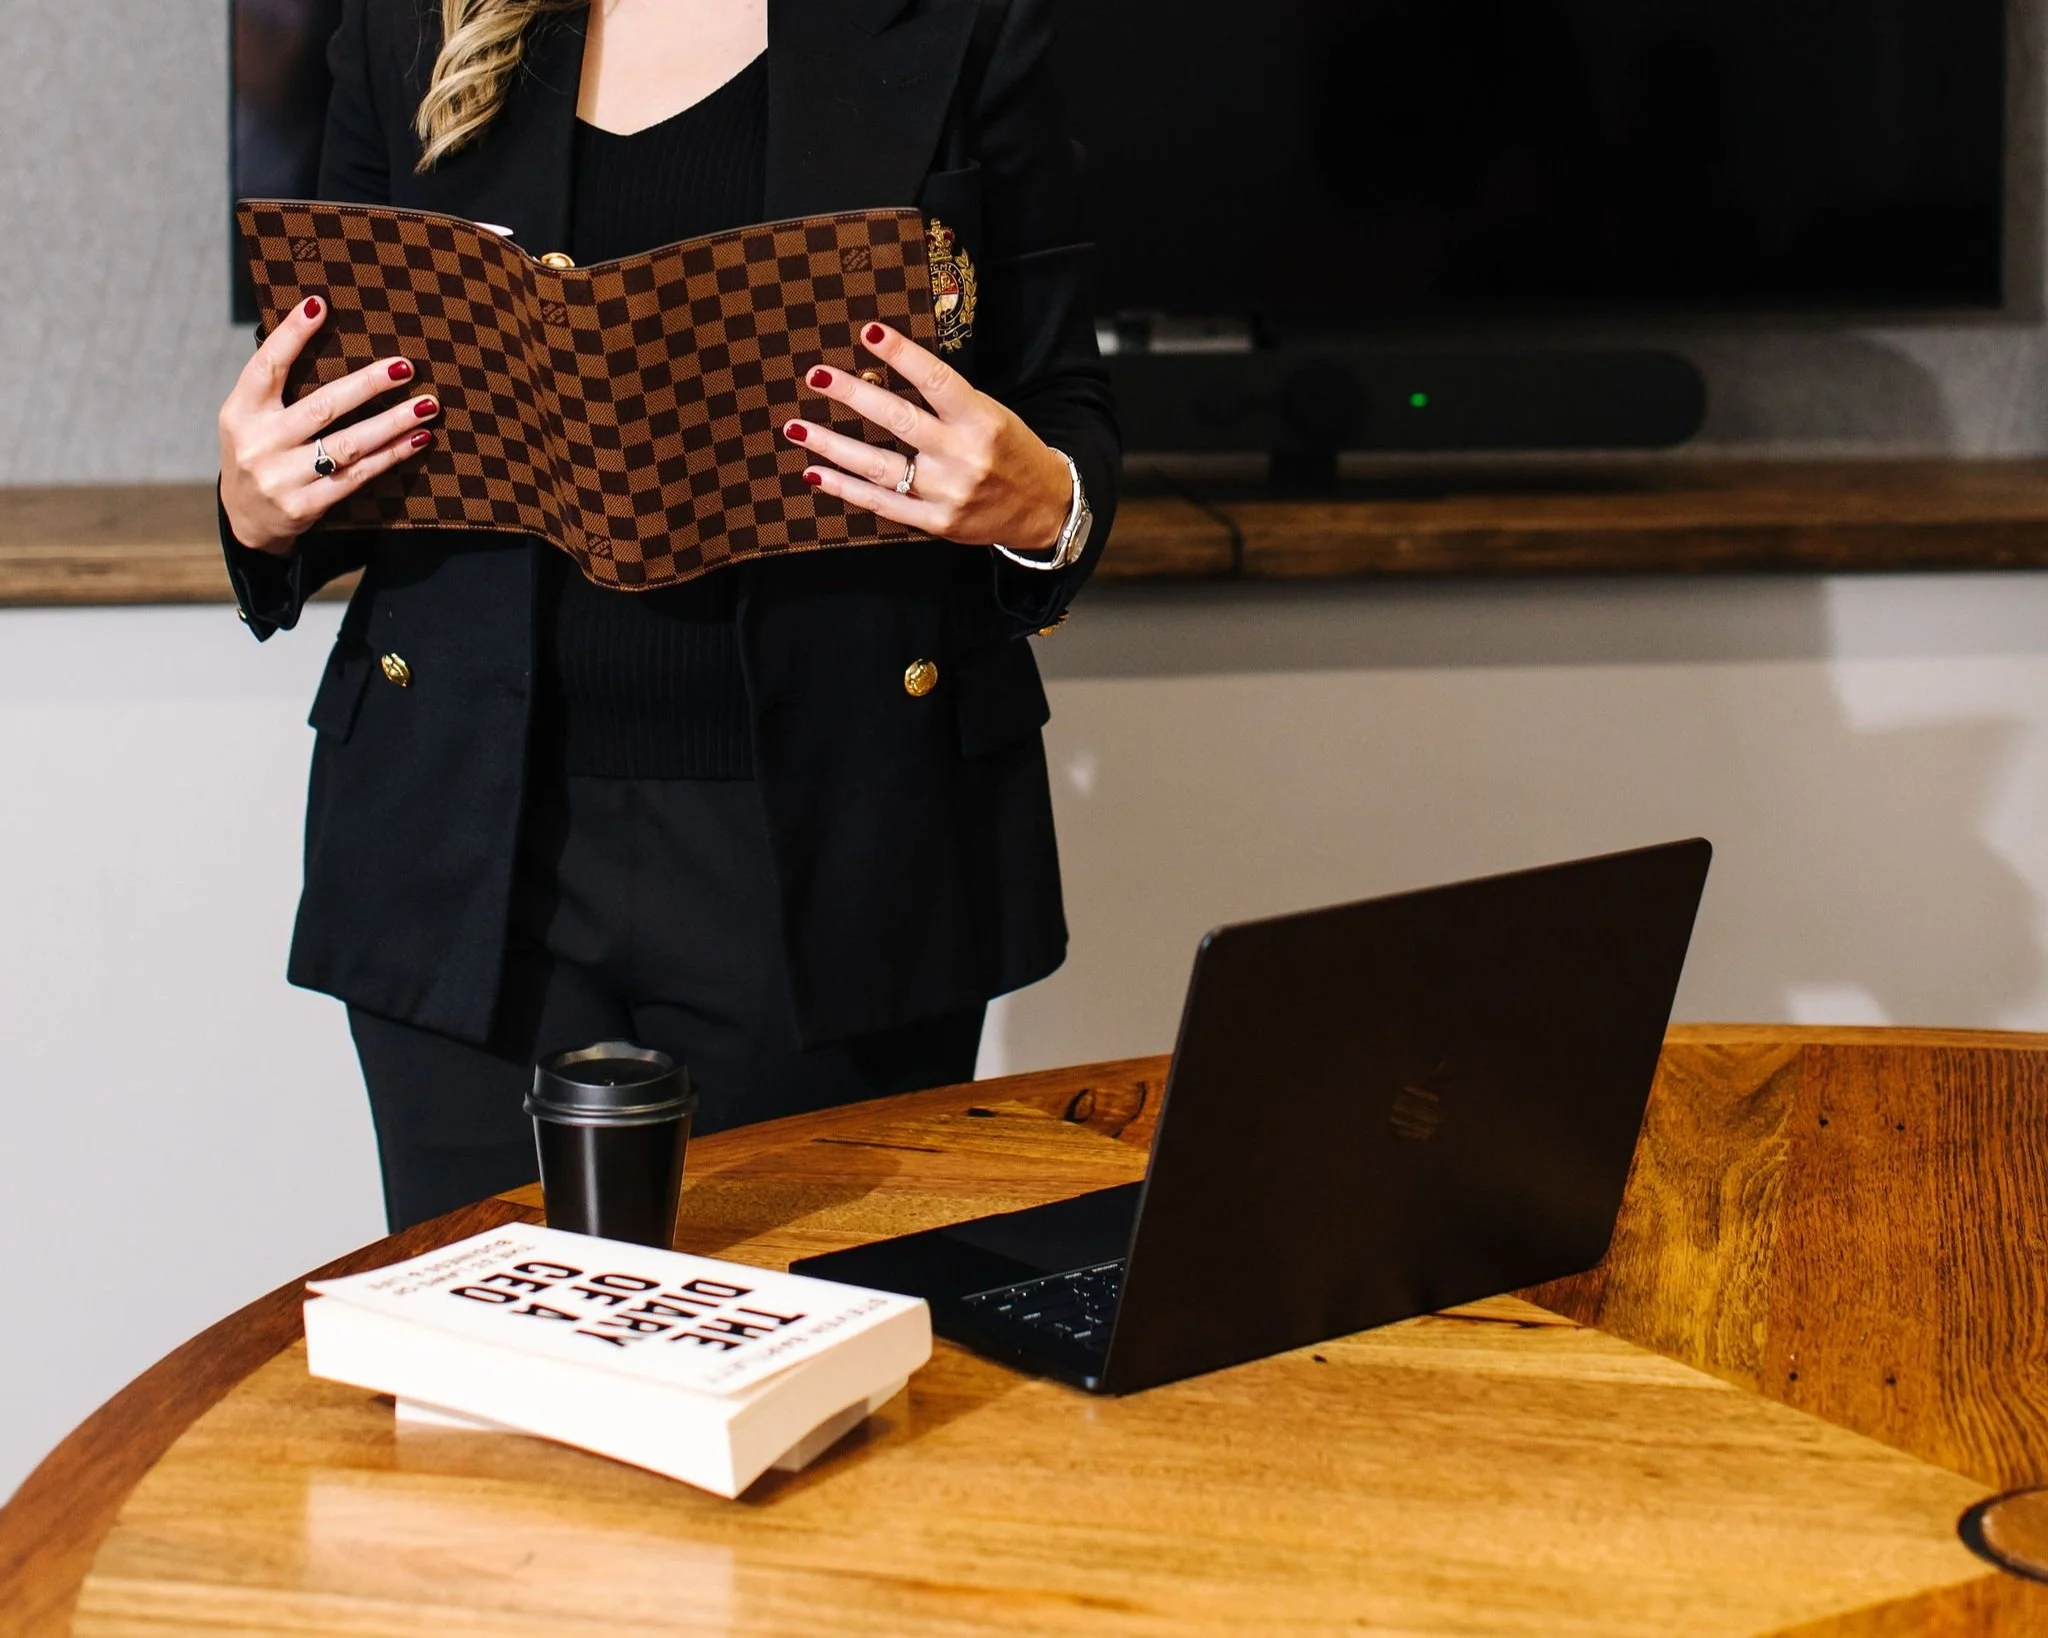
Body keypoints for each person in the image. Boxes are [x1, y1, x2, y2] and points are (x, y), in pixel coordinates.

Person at [214, 0, 1117, 1231]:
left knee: (807, 1377)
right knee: (498, 1381)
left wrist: (1038, 500)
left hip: (840, 841)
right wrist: (259, 507)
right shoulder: (407, 28)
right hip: (473, 851)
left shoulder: (966, 24)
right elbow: (339, 426)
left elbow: (1066, 408)